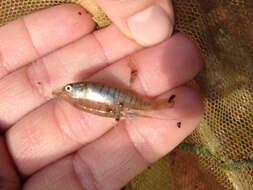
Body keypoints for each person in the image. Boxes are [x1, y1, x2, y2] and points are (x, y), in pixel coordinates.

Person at [0, 1, 203, 190]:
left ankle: (160, 107)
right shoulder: (80, 98)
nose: (69, 90)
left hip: (119, 100)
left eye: (71, 88)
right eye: (70, 89)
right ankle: (160, 107)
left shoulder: (82, 93)